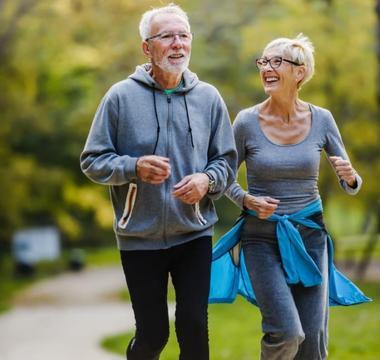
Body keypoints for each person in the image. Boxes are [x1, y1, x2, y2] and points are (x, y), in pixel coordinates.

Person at [80, 4, 236, 360]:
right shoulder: (119, 97)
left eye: (183, 35)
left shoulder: (208, 98)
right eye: (167, 36)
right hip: (139, 237)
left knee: (194, 330)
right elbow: (92, 160)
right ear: (146, 47)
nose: (177, 44)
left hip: (193, 232)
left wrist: (206, 181)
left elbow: (226, 161)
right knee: (152, 336)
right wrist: (134, 167)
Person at [209, 34, 370, 360]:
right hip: (261, 239)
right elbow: (222, 176)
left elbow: (352, 183)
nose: (267, 68)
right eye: (263, 62)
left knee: (311, 343)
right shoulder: (246, 121)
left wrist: (350, 176)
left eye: (276, 61)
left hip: (310, 237)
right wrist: (245, 199)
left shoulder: (322, 119)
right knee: (286, 332)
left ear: (300, 72)